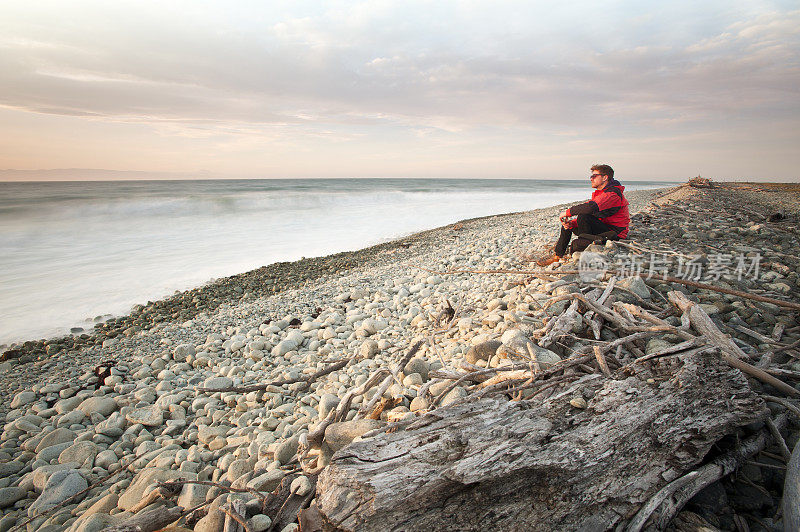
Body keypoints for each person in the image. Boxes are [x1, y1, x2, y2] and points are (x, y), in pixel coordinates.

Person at [537, 164, 629, 266]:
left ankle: (583, 247)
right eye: (591, 176)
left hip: (614, 232)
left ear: (605, 177)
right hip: (603, 227)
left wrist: (567, 212)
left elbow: (590, 208)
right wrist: (572, 223)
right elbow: (595, 216)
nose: (591, 179)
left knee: (583, 217)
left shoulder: (612, 194)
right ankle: (557, 256)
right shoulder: (601, 193)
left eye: (594, 176)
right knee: (568, 225)